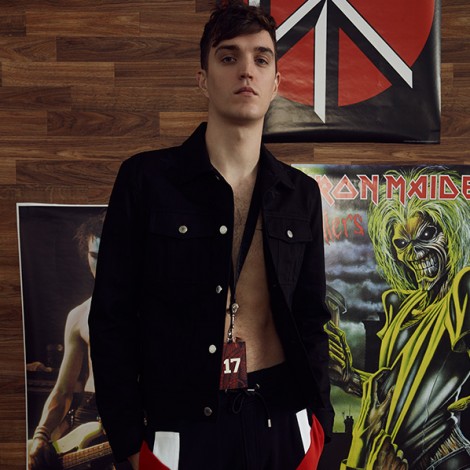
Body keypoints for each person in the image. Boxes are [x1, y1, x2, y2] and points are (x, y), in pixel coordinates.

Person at [89, 2, 333, 469]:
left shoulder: (300, 193)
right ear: (203, 78)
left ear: (276, 82)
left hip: (283, 418)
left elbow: (311, 318)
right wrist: (127, 442)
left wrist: (319, 424)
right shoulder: (146, 180)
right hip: (182, 421)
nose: (247, 70)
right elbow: (111, 319)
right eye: (228, 56)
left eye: (261, 58)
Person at [327, 167, 470, 469]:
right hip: (391, 459)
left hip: (444, 458)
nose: (414, 253)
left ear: (451, 233)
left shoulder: (463, 288)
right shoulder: (401, 304)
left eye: (427, 235)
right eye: (402, 244)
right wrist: (347, 377)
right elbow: (390, 389)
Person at [28, 212, 114, 469]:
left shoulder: (157, 312)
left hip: (137, 415)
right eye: (95, 256)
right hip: (89, 418)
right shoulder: (79, 316)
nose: (103, 265)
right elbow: (63, 390)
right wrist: (41, 435)